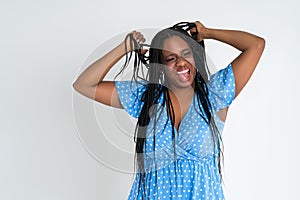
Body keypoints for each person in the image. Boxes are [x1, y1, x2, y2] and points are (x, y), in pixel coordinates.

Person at [72, 21, 265, 200]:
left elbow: (256, 45)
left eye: (186, 54)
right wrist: (125, 48)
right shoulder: (146, 98)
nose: (181, 63)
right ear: (161, 67)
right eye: (171, 58)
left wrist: (208, 33)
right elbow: (84, 85)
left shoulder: (214, 94)